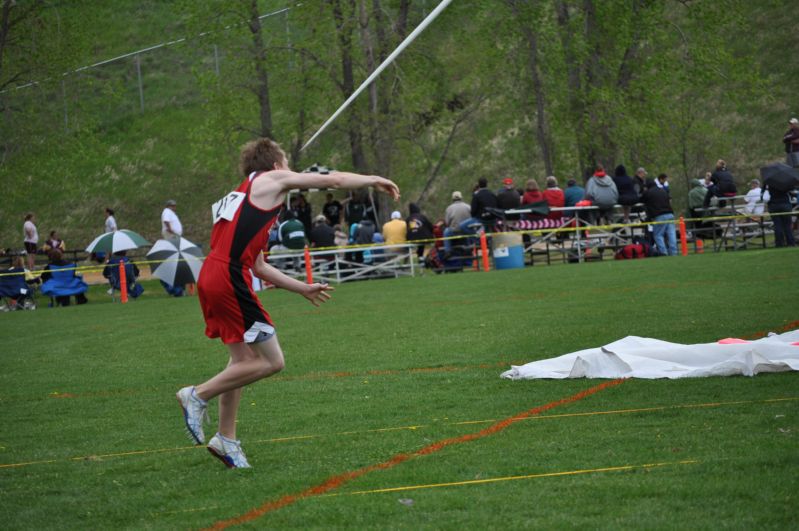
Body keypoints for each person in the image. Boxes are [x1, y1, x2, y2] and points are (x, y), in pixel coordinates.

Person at [178, 137, 399, 468]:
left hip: (215, 274)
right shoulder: (271, 179)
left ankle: (226, 439)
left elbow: (260, 265)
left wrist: (302, 288)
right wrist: (373, 179)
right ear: (278, 165)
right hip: (228, 277)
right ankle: (197, 395)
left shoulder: (245, 193)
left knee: (241, 362)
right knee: (272, 361)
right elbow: (333, 180)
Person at [641, 176, 677, 256]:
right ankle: (674, 252)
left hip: (659, 215)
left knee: (658, 235)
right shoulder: (663, 190)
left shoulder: (648, 192)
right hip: (670, 214)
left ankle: (663, 252)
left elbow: (641, 199)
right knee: (671, 234)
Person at [762, 171, 796, 247]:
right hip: (785, 204)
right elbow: (792, 190)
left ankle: (779, 243)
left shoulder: (768, 181)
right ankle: (790, 242)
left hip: (773, 205)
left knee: (777, 225)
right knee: (787, 225)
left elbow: (762, 192)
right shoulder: (785, 180)